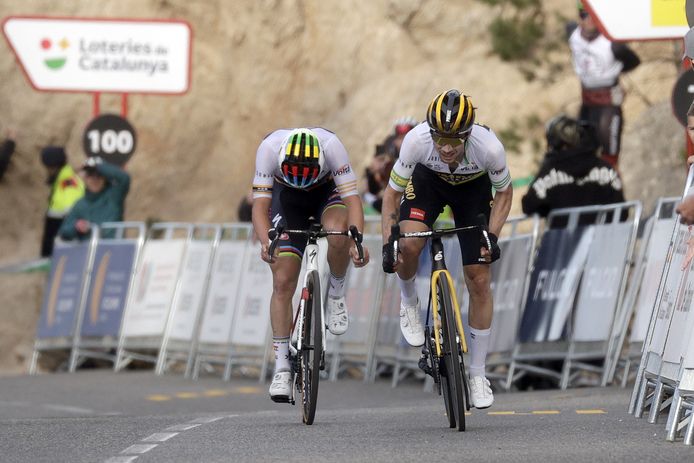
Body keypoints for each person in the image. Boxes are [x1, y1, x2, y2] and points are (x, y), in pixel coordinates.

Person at [381, 89, 513, 409]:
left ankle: (478, 374)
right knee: (410, 245)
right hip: (429, 183)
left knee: (479, 277)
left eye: (455, 140)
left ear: (468, 135)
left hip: (472, 189)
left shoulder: (489, 148)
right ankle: (409, 302)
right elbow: (390, 195)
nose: (447, 147)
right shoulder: (416, 142)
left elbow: (505, 194)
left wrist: (491, 238)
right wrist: (389, 242)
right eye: (440, 138)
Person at [251, 127, 370, 402]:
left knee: (339, 234)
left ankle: (336, 293)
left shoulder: (332, 147)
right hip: (287, 200)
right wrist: (266, 242)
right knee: (282, 281)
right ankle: (281, 367)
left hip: (326, 194)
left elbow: (352, 200)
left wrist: (357, 242)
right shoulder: (269, 149)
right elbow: (260, 207)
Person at [568, 1, 640, 168]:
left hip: (608, 102)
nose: (589, 20)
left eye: (593, 16)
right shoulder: (573, 34)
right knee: (582, 150)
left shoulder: (612, 43)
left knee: (610, 154)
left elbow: (634, 61)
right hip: (587, 101)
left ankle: (613, 189)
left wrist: (615, 72)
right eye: (584, 15)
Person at [521, 115, 625, 223]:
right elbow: (622, 211)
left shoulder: (550, 171)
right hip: (606, 237)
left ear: (555, 142)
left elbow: (529, 205)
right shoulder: (605, 168)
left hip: (562, 239)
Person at [58, 156, 130, 241]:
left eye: (99, 175)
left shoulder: (114, 195)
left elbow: (124, 178)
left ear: (106, 177)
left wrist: (98, 167)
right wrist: (76, 227)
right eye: (90, 174)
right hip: (88, 251)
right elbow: (64, 232)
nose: (95, 179)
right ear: (85, 178)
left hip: (113, 250)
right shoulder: (80, 204)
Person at [40, 146, 84, 256]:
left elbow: (73, 215)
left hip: (63, 248)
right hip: (55, 245)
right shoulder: (60, 182)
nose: (47, 171)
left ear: (53, 167)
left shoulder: (69, 184)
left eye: (48, 168)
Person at [361, 143, 395, 213]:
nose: (382, 164)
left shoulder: (388, 171)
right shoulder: (369, 175)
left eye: (384, 161)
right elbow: (366, 192)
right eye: (380, 160)